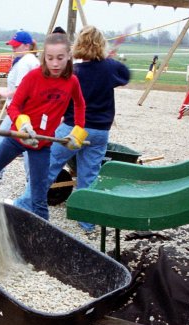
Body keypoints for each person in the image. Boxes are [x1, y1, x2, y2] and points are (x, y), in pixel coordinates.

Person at [0, 32, 87, 221]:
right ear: (44, 57)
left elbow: (80, 105)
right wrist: (24, 124)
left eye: (60, 58)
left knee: (39, 195)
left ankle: (44, 231)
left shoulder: (72, 82)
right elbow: (15, 106)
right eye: (50, 58)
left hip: (41, 147)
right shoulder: (33, 77)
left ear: (69, 56)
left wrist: (78, 131)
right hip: (18, 139)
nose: (55, 64)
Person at [13, 25, 130, 232]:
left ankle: (23, 206)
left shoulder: (72, 72)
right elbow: (125, 74)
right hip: (100, 131)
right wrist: (108, 61)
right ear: (101, 45)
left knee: (47, 168)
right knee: (89, 175)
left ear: (78, 45)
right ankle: (87, 221)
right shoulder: (110, 68)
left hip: (73, 128)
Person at [0, 31, 39, 178]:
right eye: (13, 46)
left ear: (27, 46)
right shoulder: (31, 60)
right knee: (27, 142)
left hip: (20, 109)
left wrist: (3, 93)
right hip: (26, 108)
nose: (14, 49)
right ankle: (0, 172)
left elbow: (20, 91)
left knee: (9, 138)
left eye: (16, 46)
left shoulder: (24, 63)